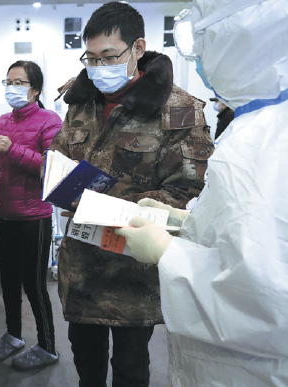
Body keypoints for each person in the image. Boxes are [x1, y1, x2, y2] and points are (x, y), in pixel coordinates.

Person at [115, 0, 288, 385]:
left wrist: (167, 251)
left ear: (241, 34)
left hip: (250, 371)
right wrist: (187, 223)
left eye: (203, 36)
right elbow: (249, 232)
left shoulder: (271, 139)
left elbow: (268, 303)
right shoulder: (258, 126)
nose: (199, 57)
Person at [47, 2, 213, 386]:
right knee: (85, 368)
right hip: (81, 268)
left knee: (130, 369)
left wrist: (116, 207)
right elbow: (60, 158)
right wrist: (55, 179)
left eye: (109, 56)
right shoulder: (79, 103)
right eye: (90, 57)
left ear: (138, 48)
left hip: (133, 273)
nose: (98, 67)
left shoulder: (178, 110)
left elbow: (189, 190)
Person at [0, 61, 62, 370]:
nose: (12, 88)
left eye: (19, 82)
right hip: (5, 217)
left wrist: (13, 150)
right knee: (7, 281)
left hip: (35, 219)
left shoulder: (50, 121)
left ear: (35, 89)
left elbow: (52, 169)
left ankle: (48, 346)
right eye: (8, 82)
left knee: (35, 286)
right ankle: (13, 336)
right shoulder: (3, 121)